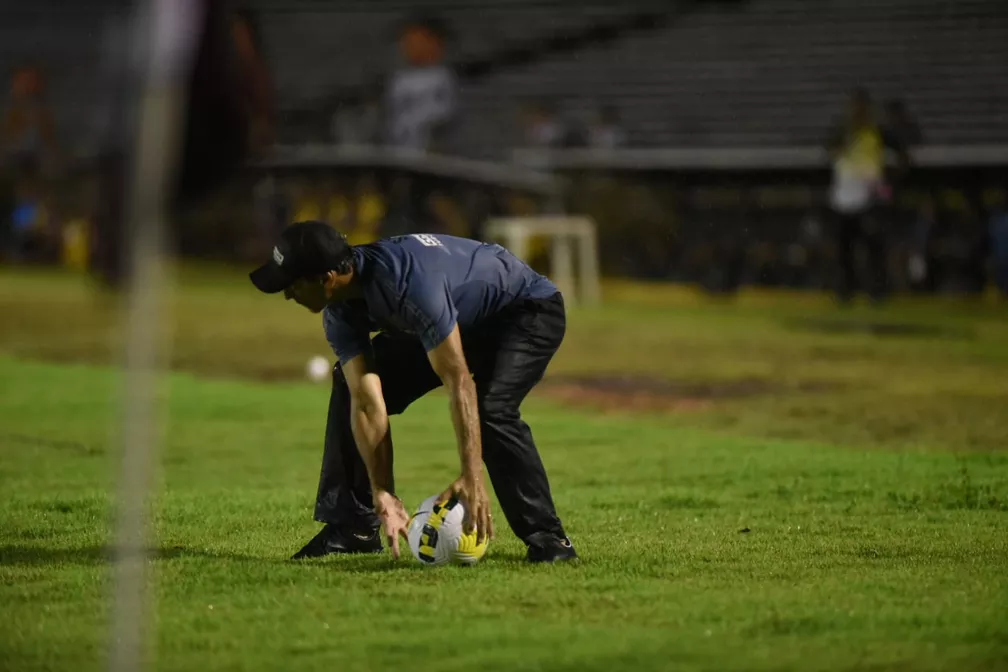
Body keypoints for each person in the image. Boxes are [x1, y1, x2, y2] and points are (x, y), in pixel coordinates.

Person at [249, 221, 577, 563]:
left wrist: (472, 475)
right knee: (348, 382)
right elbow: (366, 403)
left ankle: (549, 539)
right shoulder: (339, 313)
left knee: (492, 408)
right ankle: (354, 529)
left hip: (524, 310)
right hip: (461, 316)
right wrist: (383, 492)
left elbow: (459, 382)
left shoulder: (407, 284)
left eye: (293, 284)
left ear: (326, 278)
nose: (288, 295)